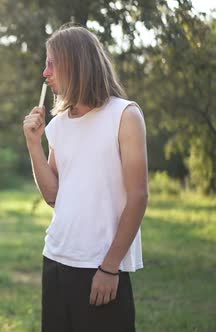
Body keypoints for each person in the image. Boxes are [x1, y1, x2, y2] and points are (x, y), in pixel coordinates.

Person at [22, 25, 148, 332]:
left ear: (75, 63)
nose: (45, 72)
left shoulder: (125, 115)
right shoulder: (59, 124)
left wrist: (110, 267)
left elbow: (139, 197)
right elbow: (54, 196)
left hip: (100, 266)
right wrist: (33, 143)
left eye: (51, 62)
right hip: (56, 257)